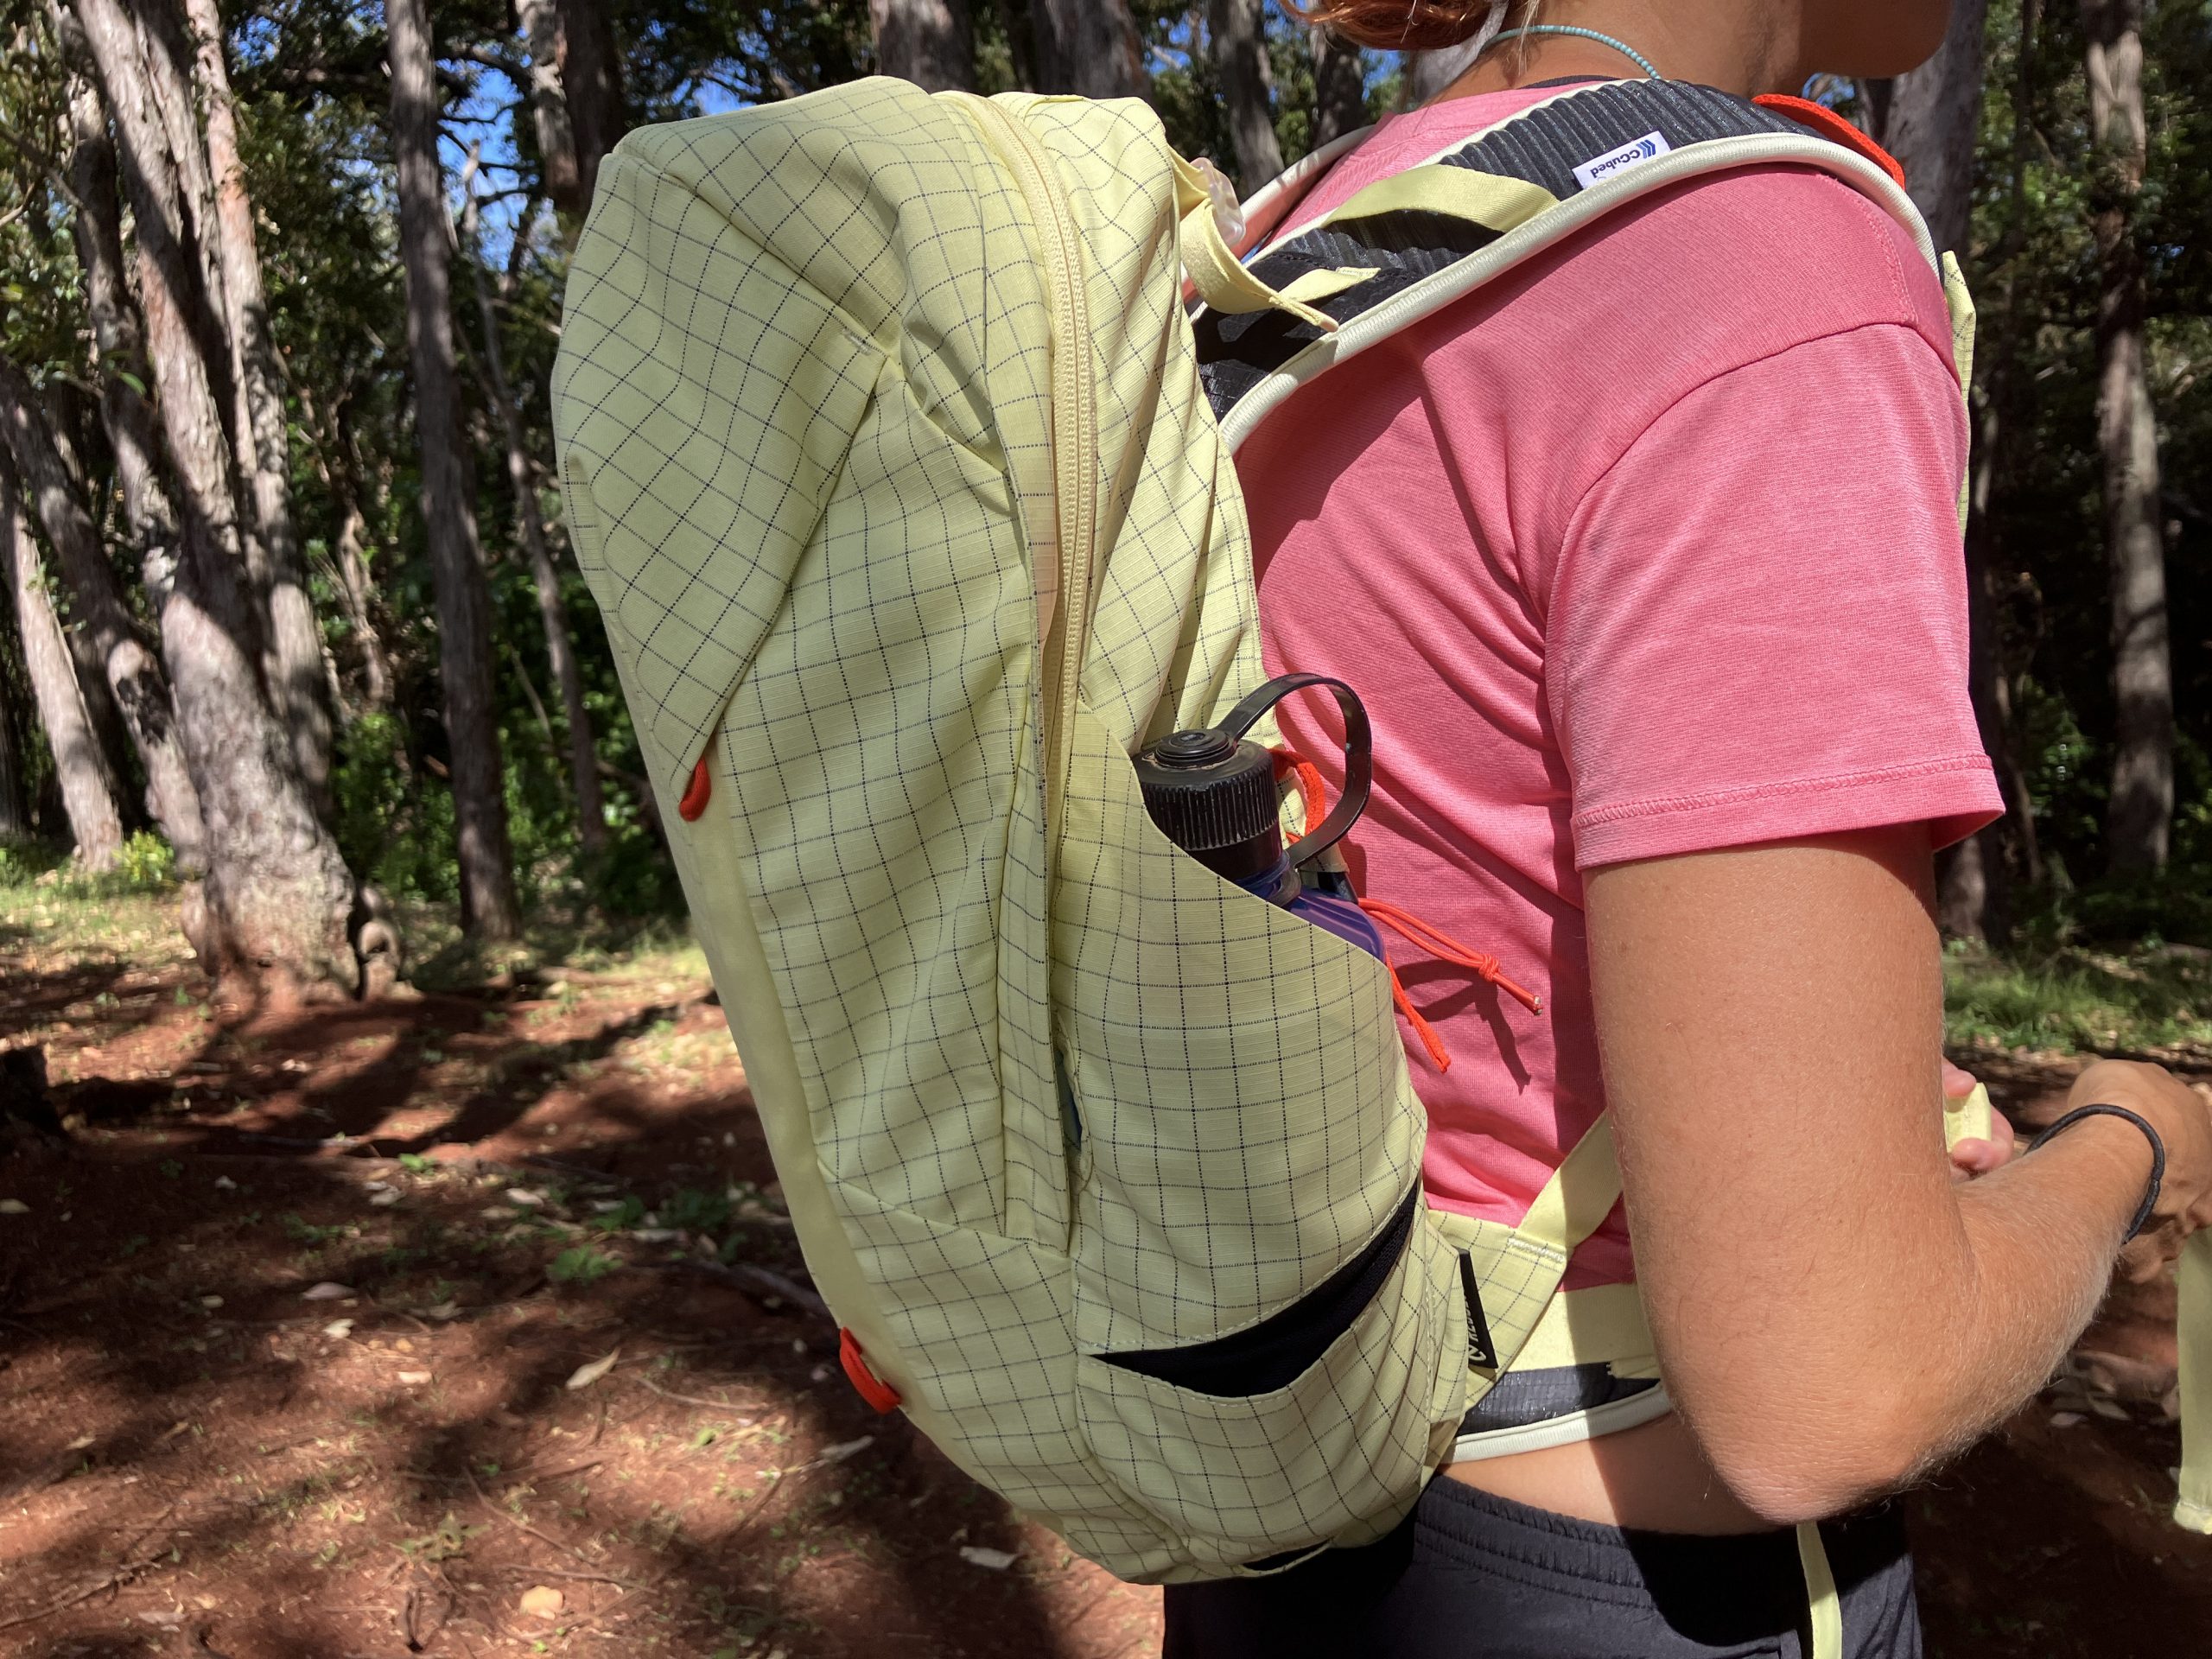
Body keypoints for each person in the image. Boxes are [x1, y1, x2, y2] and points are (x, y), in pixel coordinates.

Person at [1160, 1, 2212, 1653]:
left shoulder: (1296, 243)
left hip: (1267, 1493)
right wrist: (2132, 1143)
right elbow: (1835, 1386)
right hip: (1621, 1587)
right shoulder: (1745, 261)